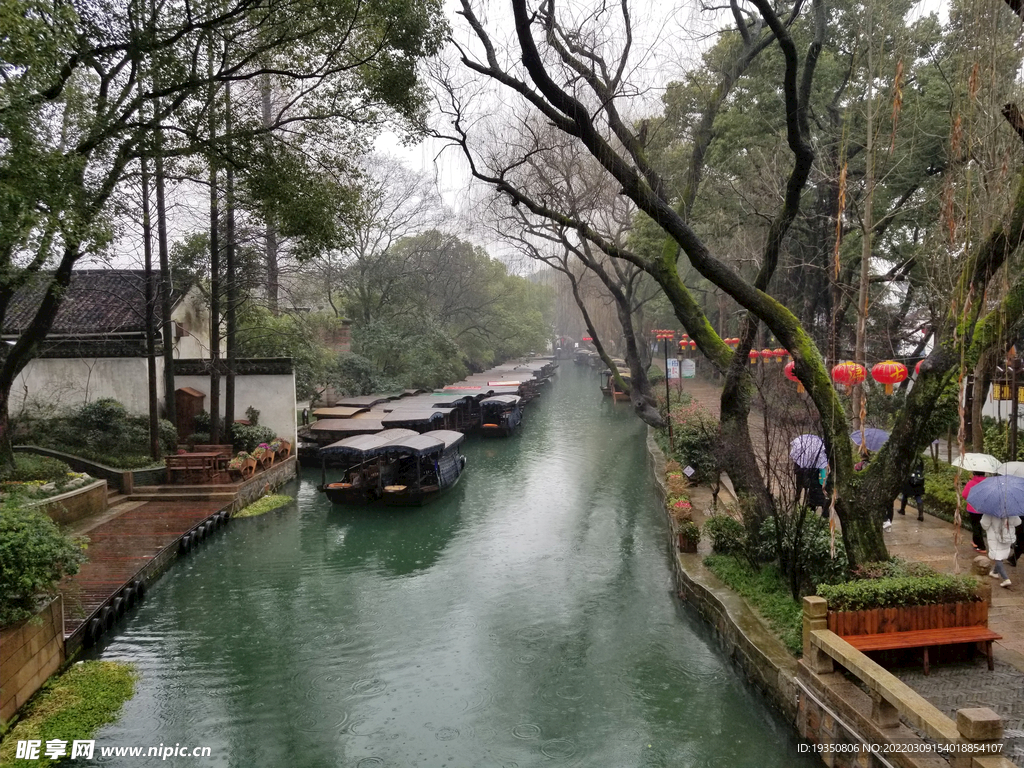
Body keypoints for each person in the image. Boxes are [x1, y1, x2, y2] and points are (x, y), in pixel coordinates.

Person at [981, 513, 1021, 588]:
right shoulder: (1011, 510)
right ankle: (994, 572)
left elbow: (985, 525)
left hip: (995, 538)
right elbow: (1018, 522)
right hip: (1007, 536)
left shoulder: (990, 512)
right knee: (1001, 555)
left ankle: (1006, 579)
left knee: (997, 557)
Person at [962, 471, 988, 552]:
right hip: (985, 508)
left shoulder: (971, 483)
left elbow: (964, 494)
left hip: (973, 509)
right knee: (979, 526)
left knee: (976, 526)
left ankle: (981, 546)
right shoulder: (987, 483)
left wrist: (971, 500)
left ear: (974, 473)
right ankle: (975, 541)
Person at [896, 457, 926, 522]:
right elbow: (922, 468)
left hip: (909, 479)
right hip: (918, 480)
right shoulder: (919, 458)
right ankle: (921, 515)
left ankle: (902, 510)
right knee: (918, 496)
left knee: (905, 494)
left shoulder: (909, 457)